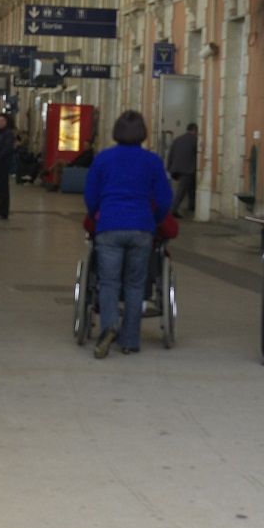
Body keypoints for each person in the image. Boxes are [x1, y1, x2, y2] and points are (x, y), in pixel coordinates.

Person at [83, 110, 172, 358]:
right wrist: (152, 220)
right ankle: (130, 340)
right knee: (135, 284)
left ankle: (109, 326)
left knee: (109, 282)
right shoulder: (152, 161)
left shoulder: (103, 159)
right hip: (141, 227)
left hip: (109, 226)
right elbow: (164, 199)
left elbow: (90, 195)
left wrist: (96, 214)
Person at [166, 123, 198, 217]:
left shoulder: (177, 140)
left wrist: (170, 168)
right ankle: (172, 210)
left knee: (190, 189)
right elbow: (197, 155)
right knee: (181, 191)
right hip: (188, 169)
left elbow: (170, 155)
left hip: (175, 169)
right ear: (195, 130)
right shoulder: (194, 140)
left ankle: (191, 206)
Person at [0, 113, 15, 220]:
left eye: (3, 121)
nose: (0, 123)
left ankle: (3, 212)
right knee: (0, 189)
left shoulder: (8, 134)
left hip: (3, 164)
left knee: (3, 189)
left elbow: (8, 148)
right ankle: (1, 211)